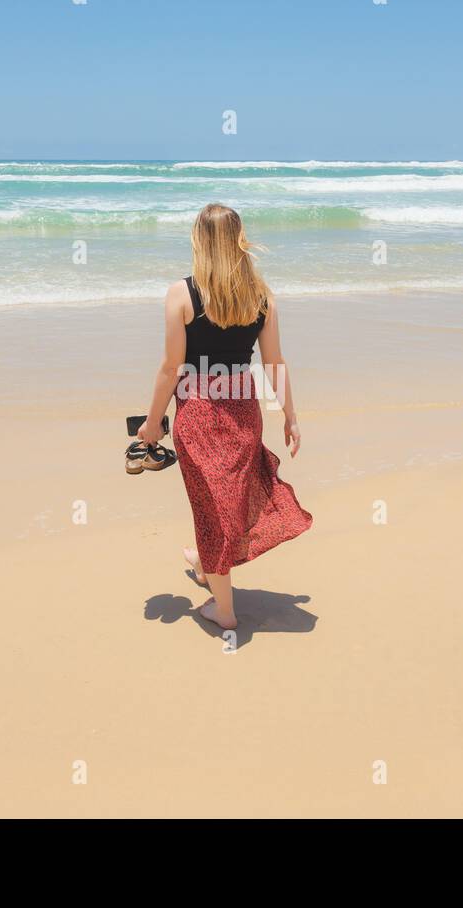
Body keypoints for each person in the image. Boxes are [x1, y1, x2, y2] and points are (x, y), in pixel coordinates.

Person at [137, 203, 312, 629]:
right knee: (224, 499)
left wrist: (151, 423)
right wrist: (290, 414)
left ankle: (225, 610)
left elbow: (170, 368)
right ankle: (204, 558)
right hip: (243, 411)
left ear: (198, 240)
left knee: (210, 503)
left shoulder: (182, 294)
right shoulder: (260, 295)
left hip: (197, 414)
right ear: (238, 239)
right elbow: (274, 362)